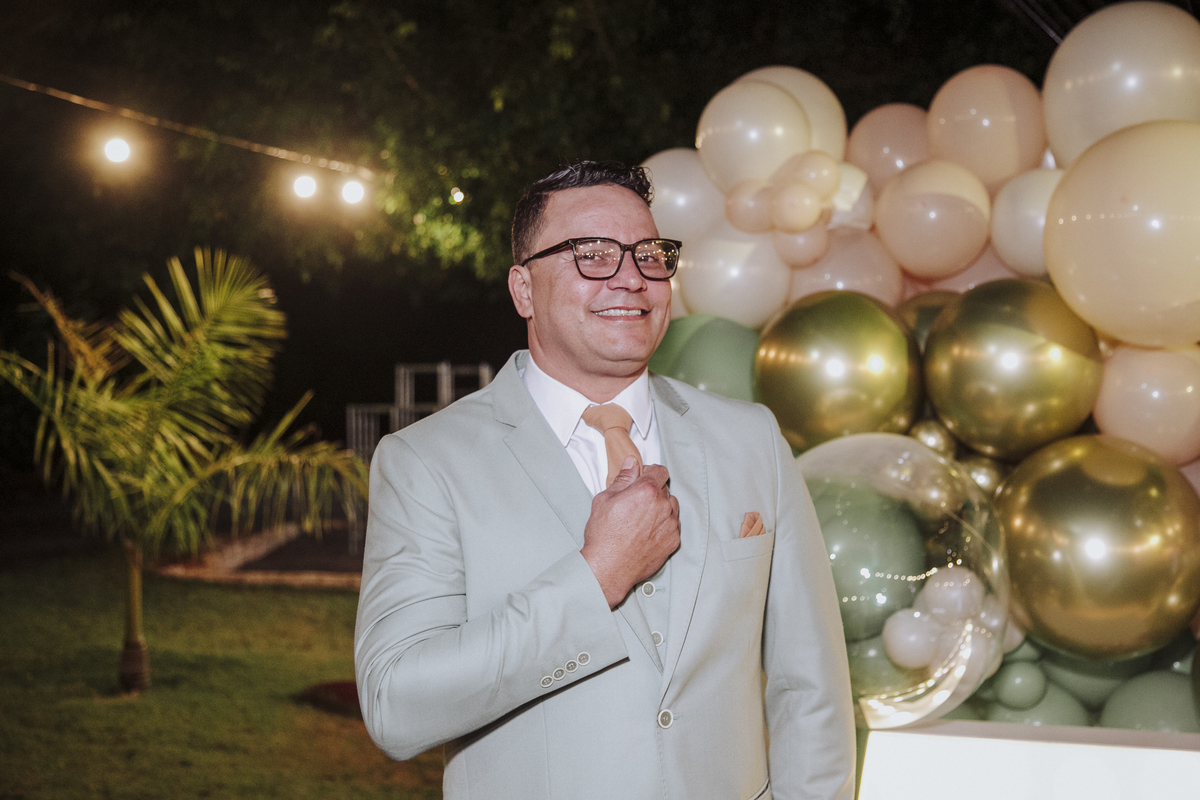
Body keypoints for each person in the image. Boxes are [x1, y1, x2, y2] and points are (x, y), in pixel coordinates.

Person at [354, 160, 855, 800]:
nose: (631, 278)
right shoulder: (426, 462)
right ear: (523, 289)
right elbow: (396, 705)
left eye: (649, 255)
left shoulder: (750, 438)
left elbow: (809, 688)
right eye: (592, 255)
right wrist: (598, 576)